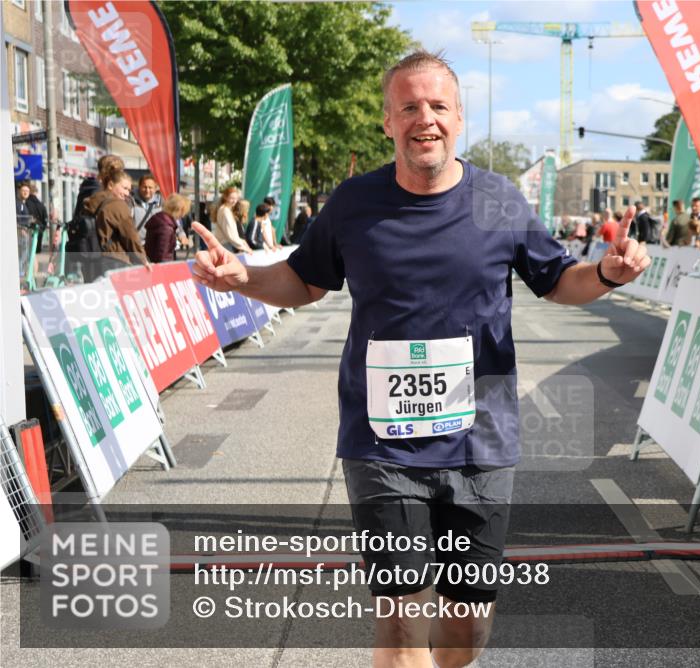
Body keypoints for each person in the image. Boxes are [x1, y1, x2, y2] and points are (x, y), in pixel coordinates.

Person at [189, 49, 650, 668]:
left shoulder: (500, 201)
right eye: (408, 107)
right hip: (383, 445)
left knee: (466, 629)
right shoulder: (354, 204)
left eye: (437, 106)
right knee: (403, 622)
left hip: (480, 444)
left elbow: (559, 281)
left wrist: (608, 275)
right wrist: (243, 277)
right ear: (388, 122)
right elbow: (304, 282)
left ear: (459, 118)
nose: (423, 119)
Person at [85, 168, 151, 275]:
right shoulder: (117, 205)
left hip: (90, 260)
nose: (127, 193)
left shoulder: (92, 202)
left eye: (129, 190)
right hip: (114, 259)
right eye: (124, 188)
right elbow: (130, 235)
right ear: (111, 185)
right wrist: (143, 259)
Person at [145, 193, 191, 263]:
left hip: (152, 262)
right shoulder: (166, 227)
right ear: (179, 210)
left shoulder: (160, 219)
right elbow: (162, 255)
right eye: (183, 212)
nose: (183, 216)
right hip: (161, 267)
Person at [210, 187, 253, 254]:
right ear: (225, 197)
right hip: (226, 246)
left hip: (226, 244)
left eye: (236, 198)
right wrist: (243, 246)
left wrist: (242, 242)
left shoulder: (225, 209)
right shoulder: (225, 211)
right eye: (232, 198)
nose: (234, 201)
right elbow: (230, 234)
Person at [132, 174, 162, 243]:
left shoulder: (161, 203)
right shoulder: (131, 201)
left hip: (155, 244)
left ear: (155, 188)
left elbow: (172, 219)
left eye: (150, 187)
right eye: (144, 187)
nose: (147, 190)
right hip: (136, 244)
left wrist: (181, 234)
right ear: (139, 187)